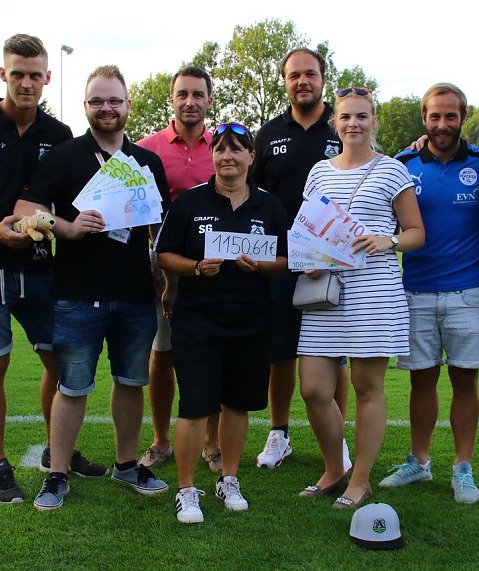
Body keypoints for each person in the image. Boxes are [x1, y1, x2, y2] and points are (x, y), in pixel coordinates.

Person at [0, 34, 99, 505]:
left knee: (58, 359)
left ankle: (57, 452)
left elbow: (70, 205)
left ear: (48, 78)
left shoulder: (60, 135)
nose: (27, 83)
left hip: (41, 267)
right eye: (18, 74)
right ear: (3, 75)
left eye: (35, 75)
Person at [19, 64, 171, 511]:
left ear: (128, 105)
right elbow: (25, 208)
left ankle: (126, 465)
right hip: (76, 293)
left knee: (130, 381)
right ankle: (57, 473)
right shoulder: (65, 156)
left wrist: (165, 284)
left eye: (114, 100)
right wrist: (65, 226)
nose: (106, 108)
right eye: (97, 101)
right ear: (85, 107)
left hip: (133, 294)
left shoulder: (147, 162)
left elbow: (157, 231)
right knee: (73, 385)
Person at [154, 122, 289, 523]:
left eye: (236, 149)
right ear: (212, 156)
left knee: (237, 404)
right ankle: (187, 489)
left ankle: (229, 478)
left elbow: (285, 261)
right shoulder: (190, 203)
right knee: (195, 405)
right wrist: (196, 267)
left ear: (251, 156)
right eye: (219, 149)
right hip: (199, 321)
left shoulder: (270, 206)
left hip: (251, 320)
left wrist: (261, 265)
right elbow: (164, 255)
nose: (226, 156)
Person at [298, 87, 425, 509]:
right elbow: (309, 230)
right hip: (324, 294)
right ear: (335, 122)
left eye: (362, 117)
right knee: (314, 388)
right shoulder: (318, 172)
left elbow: (416, 233)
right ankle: (335, 468)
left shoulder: (391, 170)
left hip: (374, 292)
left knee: (367, 386)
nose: (353, 124)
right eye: (346, 117)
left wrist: (387, 240)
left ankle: (361, 480)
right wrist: (311, 258)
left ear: (374, 121)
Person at [382, 83, 479, 504]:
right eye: (435, 116)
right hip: (413, 292)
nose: (443, 124)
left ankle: (463, 468)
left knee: (466, 382)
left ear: (464, 117)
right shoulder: (402, 163)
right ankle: (419, 461)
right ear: (424, 120)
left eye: (451, 116)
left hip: (466, 293)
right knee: (421, 382)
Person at [253, 47, 351, 470]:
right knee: (280, 351)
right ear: (285, 81)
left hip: (332, 261)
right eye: (294, 75)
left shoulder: (343, 127)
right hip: (281, 261)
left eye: (310, 74)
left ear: (323, 79)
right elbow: (253, 194)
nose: (302, 81)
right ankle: (279, 433)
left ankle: (338, 436)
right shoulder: (268, 133)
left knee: (336, 353)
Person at [136, 66, 221, 473]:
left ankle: (213, 440)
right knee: (163, 354)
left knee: (214, 351)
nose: (190, 102)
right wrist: (158, 274)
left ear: (209, 100)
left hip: (217, 269)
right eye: (182, 94)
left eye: (198, 95)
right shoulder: (146, 149)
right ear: (171, 99)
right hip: (162, 266)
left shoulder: (223, 145)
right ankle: (160, 439)